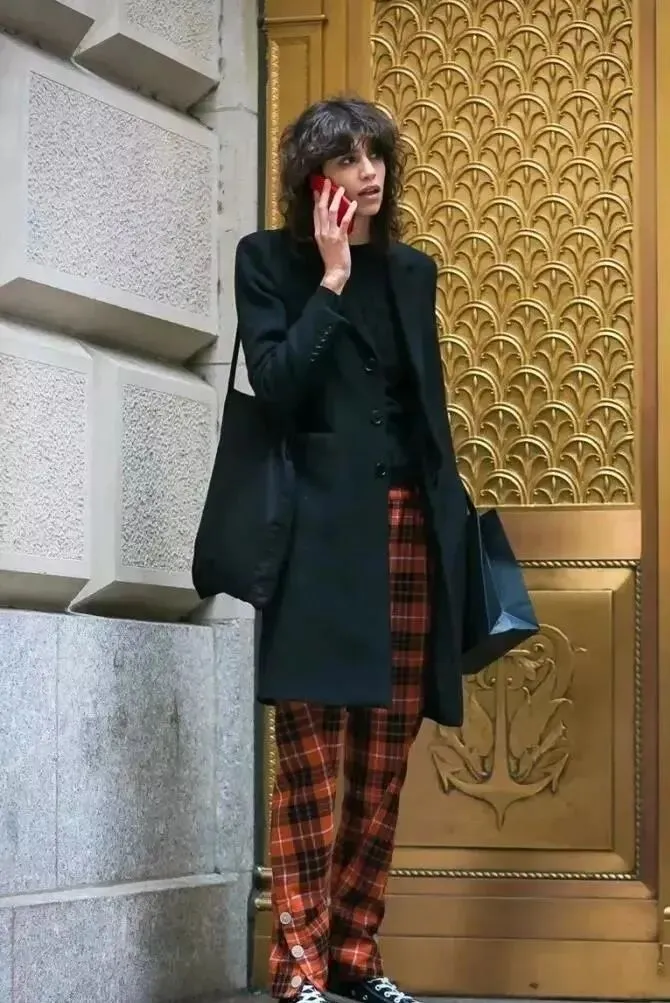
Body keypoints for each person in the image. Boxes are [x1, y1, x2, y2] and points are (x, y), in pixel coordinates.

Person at [234, 97, 468, 1003]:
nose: (367, 172)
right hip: (317, 541)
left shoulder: (411, 270)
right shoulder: (268, 263)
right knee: (309, 761)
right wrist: (331, 279)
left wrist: (451, 530)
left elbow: (426, 413)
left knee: (382, 762)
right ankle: (297, 970)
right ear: (311, 177)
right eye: (347, 158)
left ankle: (354, 956)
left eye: (376, 155)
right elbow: (278, 389)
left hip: (408, 529)